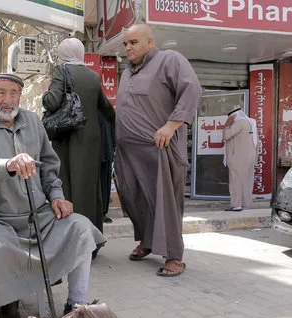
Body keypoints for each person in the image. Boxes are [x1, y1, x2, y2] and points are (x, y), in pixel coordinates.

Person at [0, 73, 106, 318]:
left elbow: (50, 166)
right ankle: (7, 304)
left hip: (37, 215)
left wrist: (57, 196)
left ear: (20, 96)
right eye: (1, 93)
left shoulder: (33, 122)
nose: (7, 100)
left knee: (81, 228)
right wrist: (7, 164)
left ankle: (76, 304)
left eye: (13, 93)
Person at [114, 23, 202, 277]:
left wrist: (171, 125)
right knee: (135, 199)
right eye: (126, 44)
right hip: (128, 154)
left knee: (166, 202)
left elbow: (192, 90)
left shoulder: (169, 60)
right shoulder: (127, 72)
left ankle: (174, 256)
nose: (128, 47)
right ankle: (148, 241)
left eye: (133, 43)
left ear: (150, 42)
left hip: (159, 150)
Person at [42, 38, 116, 234]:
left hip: (68, 138)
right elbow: (106, 108)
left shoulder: (61, 71)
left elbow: (51, 102)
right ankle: (93, 239)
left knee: (66, 186)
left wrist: (45, 91)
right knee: (89, 188)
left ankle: (73, 238)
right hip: (91, 140)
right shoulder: (93, 76)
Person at [222, 107, 258, 211]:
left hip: (237, 157)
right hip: (250, 157)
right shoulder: (251, 123)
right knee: (247, 181)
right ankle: (246, 205)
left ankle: (236, 205)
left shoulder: (240, 123)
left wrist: (227, 124)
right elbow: (257, 143)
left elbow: (226, 135)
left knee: (236, 181)